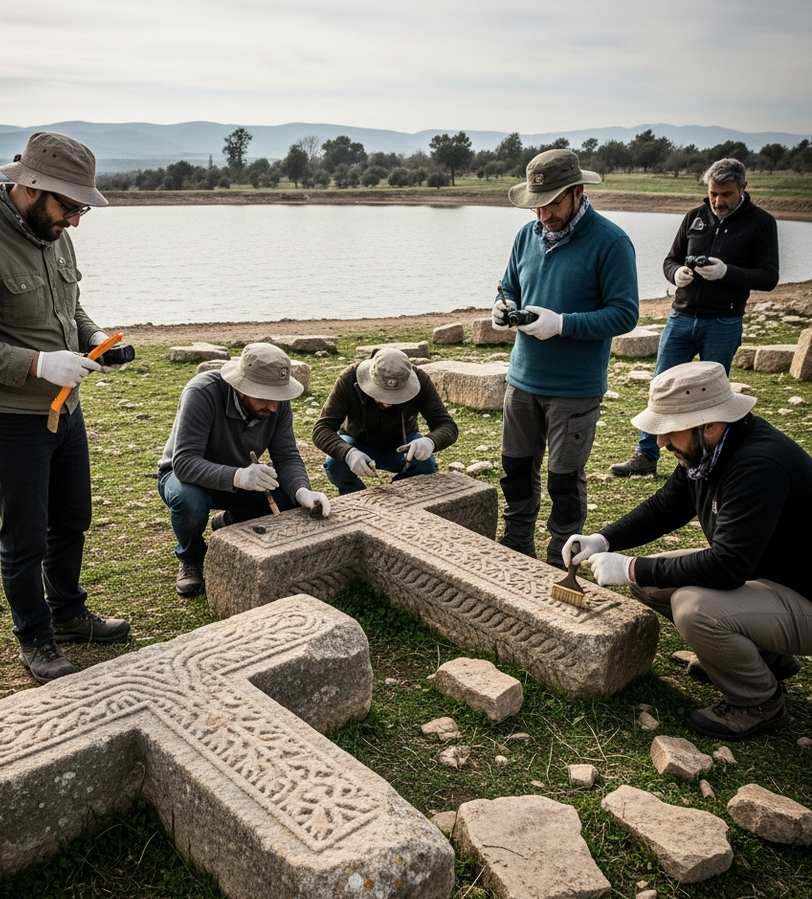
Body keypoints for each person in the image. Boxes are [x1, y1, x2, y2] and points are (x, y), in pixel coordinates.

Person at [0, 131, 130, 685]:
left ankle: (67, 614)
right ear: (31, 186)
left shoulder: (53, 230)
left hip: (65, 409)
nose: (75, 221)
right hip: (5, 414)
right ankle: (35, 637)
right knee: (27, 534)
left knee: (72, 518)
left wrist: (95, 343)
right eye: (69, 206)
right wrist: (40, 364)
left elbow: (71, 305)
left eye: (82, 208)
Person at [564, 361, 811, 740]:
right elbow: (666, 506)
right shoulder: (709, 451)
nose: (660, 443)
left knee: (694, 609)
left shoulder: (759, 464)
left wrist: (629, 567)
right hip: (774, 578)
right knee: (651, 582)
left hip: (804, 596)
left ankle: (758, 701)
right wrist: (604, 539)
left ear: (708, 424)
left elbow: (728, 566)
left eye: (669, 431)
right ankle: (765, 657)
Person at [493, 148, 639, 567]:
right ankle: (516, 543)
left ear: (578, 192)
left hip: (574, 388)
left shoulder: (611, 241)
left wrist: (563, 323)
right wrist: (503, 309)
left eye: (553, 202)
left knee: (563, 480)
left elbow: (625, 313)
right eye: (537, 204)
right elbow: (510, 285)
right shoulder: (526, 235)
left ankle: (561, 559)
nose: (544, 213)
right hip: (522, 379)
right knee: (515, 469)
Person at [610, 158, 779, 478]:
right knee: (661, 386)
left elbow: (769, 276)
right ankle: (646, 455)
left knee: (711, 396)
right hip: (681, 316)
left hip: (723, 322)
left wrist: (726, 272)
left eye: (726, 194)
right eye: (713, 193)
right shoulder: (695, 217)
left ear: (743, 188)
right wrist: (678, 275)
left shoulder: (761, 223)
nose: (718, 201)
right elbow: (670, 260)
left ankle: (710, 460)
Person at [159, 343, 331, 597]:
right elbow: (184, 462)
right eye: (264, 397)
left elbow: (286, 455)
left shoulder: (277, 403)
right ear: (241, 387)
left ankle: (228, 521)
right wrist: (238, 476)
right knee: (189, 500)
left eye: (277, 398)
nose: (273, 408)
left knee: (288, 498)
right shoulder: (202, 391)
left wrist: (303, 492)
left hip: (241, 478)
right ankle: (192, 557)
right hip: (185, 476)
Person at [312, 347, 458, 494]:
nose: (387, 403)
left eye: (397, 396)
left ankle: (399, 493)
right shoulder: (349, 378)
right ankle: (356, 495)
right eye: (381, 394)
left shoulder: (421, 381)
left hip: (402, 444)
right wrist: (348, 453)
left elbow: (446, 425)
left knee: (425, 465)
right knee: (335, 464)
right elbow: (322, 429)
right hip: (357, 441)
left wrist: (430, 441)